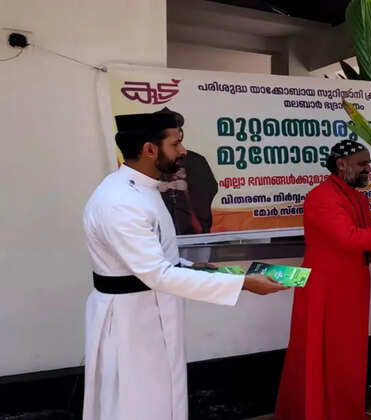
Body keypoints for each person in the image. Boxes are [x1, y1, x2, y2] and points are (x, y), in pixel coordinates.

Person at [82, 113, 287, 420]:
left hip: (152, 311)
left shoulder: (144, 190)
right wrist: (244, 283)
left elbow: (156, 258)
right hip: (130, 323)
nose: (183, 151)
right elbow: (157, 274)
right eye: (175, 143)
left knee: (162, 398)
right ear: (149, 149)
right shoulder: (120, 201)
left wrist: (194, 266)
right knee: (136, 405)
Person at [275, 140, 371, 420]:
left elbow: (368, 241)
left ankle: (346, 412)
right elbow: (349, 238)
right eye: (362, 163)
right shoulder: (321, 197)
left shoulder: (359, 199)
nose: (368, 169)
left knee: (349, 358)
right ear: (341, 164)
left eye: (368, 163)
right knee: (321, 358)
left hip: (353, 290)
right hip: (323, 292)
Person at [155, 107, 218, 235]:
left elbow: (210, 188)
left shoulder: (195, 160)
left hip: (192, 231)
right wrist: (159, 187)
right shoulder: (150, 160)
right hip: (159, 233)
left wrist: (188, 187)